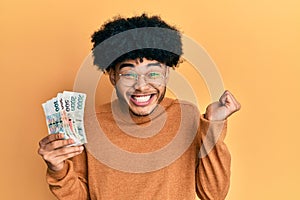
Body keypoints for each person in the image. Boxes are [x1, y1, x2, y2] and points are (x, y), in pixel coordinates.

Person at [38, 13, 241, 200]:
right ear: (112, 76)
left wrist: (213, 125)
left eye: (153, 74)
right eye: (128, 74)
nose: (141, 86)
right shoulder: (91, 123)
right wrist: (58, 170)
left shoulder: (186, 115)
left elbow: (213, 194)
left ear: (167, 75)